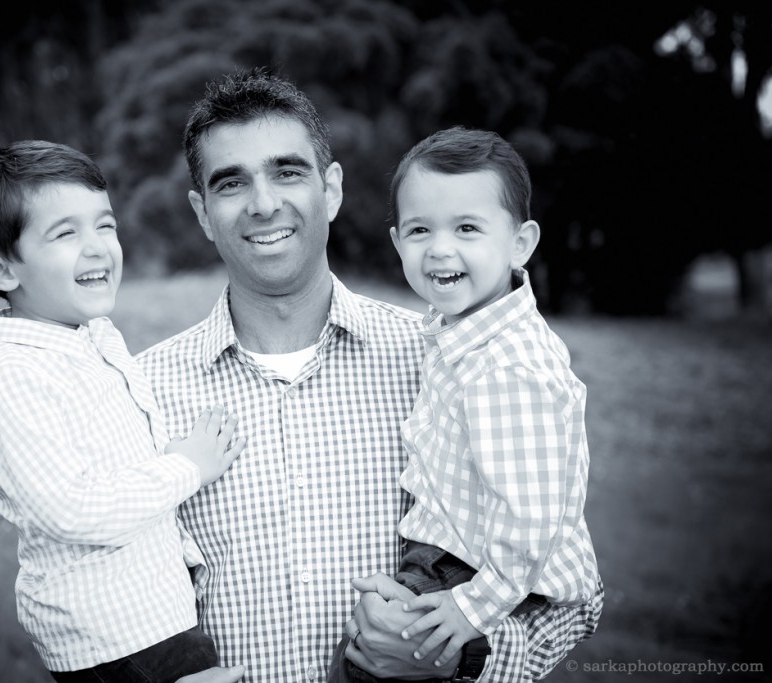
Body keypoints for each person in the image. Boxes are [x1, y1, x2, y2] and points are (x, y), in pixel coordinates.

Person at [137, 68, 603, 683]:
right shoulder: (141, 395)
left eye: (287, 171)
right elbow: (99, 598)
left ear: (330, 189)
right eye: (231, 183)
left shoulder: (446, 363)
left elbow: (575, 598)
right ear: (202, 212)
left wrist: (457, 655)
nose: (264, 203)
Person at [0, 140, 246, 682]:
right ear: (1, 270)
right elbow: (74, 509)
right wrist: (188, 466)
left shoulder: (92, 336)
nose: (97, 248)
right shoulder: (15, 375)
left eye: (104, 226)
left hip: (154, 617)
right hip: (114, 639)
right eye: (65, 233)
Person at [327, 127, 600, 681]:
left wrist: (474, 606)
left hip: (477, 571)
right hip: (446, 558)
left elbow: (531, 515)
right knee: (361, 653)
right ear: (399, 241)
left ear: (520, 243)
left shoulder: (507, 365)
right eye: (421, 229)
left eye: (468, 228)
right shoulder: (460, 337)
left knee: (366, 665)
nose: (441, 248)